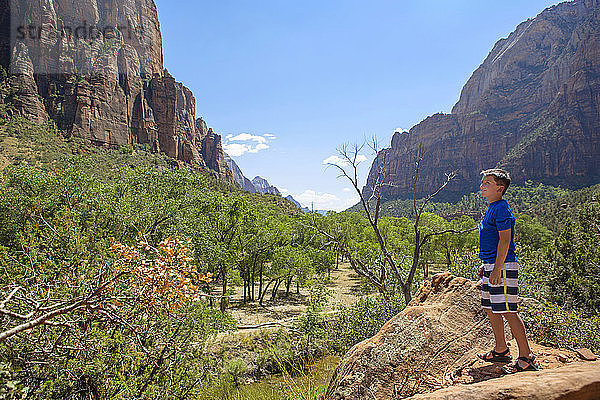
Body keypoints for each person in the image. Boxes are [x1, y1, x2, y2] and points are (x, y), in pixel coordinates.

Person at [476, 168, 538, 374]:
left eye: (487, 183)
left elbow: (505, 240)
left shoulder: (502, 208)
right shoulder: (493, 207)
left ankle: (526, 357)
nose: (482, 186)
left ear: (500, 188)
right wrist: (486, 265)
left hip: (502, 265)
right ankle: (501, 349)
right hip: (492, 264)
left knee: (508, 311)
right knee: (490, 307)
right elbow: (494, 241)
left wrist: (497, 268)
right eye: (483, 182)